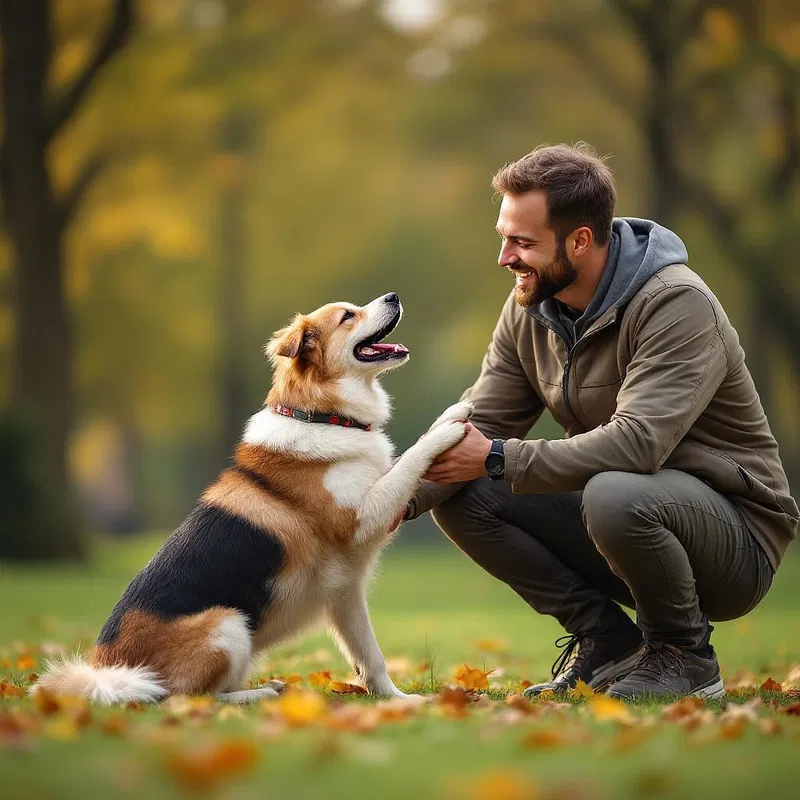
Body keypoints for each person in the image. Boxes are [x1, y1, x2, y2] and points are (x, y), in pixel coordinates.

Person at [404, 143, 798, 699]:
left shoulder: (675, 302)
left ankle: (685, 656)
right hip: (625, 520)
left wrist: (497, 456)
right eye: (503, 238)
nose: (505, 258)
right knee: (466, 493)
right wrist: (388, 499)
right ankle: (607, 642)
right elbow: (482, 421)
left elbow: (639, 445)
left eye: (522, 242)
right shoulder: (530, 307)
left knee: (612, 492)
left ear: (579, 240)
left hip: (735, 538)